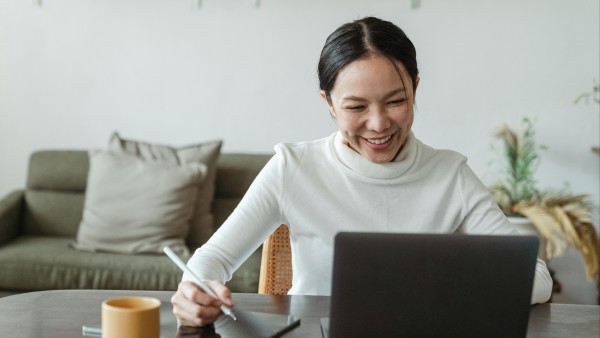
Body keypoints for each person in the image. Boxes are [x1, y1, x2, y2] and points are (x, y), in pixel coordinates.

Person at [171, 16, 553, 327]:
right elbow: (212, 259)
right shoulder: (293, 168)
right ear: (329, 104)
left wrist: (447, 286)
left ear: (415, 90)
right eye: (355, 107)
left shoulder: (450, 174)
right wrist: (195, 290)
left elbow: (536, 278)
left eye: (396, 101)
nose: (378, 124)